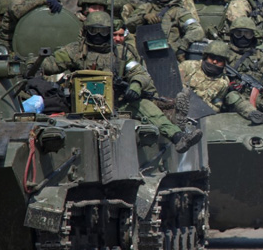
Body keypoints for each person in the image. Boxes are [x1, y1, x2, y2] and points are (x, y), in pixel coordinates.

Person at [39, 11, 202, 153]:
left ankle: (178, 137)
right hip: (78, 103)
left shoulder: (121, 53)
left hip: (116, 103)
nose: (98, 36)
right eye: (93, 31)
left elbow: (139, 72)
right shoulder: (74, 51)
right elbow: (48, 65)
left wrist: (135, 86)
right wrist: (35, 62)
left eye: (103, 32)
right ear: (85, 31)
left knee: (146, 106)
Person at [127, 0, 204, 61]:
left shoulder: (178, 11)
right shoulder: (146, 7)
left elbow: (196, 30)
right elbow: (129, 24)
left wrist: (182, 47)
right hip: (146, 58)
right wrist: (143, 17)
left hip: (171, 58)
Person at [178, 40, 230, 113]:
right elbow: (174, 86)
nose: (214, 62)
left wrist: (202, 102)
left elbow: (217, 108)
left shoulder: (224, 82)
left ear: (224, 63)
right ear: (206, 57)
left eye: (219, 60)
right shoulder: (188, 66)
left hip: (199, 113)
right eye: (212, 57)